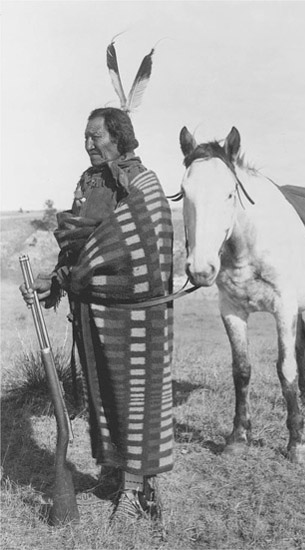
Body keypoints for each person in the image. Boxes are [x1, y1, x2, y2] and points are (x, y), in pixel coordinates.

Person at [20, 107, 174, 523]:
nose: (89, 144)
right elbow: (76, 247)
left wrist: (86, 269)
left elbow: (144, 240)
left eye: (97, 136)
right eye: (86, 137)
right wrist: (56, 281)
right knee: (101, 397)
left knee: (135, 400)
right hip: (91, 309)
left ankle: (137, 492)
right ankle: (111, 476)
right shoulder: (88, 183)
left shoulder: (143, 181)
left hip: (137, 315)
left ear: (119, 136)